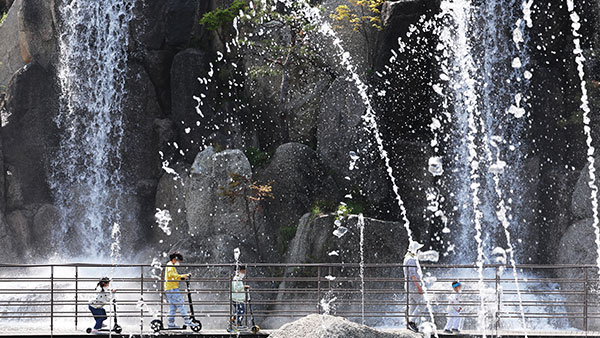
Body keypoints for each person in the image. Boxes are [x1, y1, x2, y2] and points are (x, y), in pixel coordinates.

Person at [164, 252, 198, 329]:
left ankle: (171, 323)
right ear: (174, 259)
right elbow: (172, 276)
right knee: (181, 303)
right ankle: (187, 320)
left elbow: (174, 276)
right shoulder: (170, 265)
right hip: (172, 289)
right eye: (178, 261)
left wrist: (183, 276)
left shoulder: (171, 266)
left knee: (173, 307)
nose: (178, 263)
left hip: (169, 288)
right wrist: (182, 276)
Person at [403, 241, 425, 333]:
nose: (419, 251)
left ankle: (410, 323)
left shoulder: (407, 258)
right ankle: (411, 322)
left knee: (413, 304)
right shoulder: (411, 259)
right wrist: (419, 287)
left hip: (408, 285)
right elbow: (413, 275)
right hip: (413, 285)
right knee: (423, 303)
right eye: (419, 249)